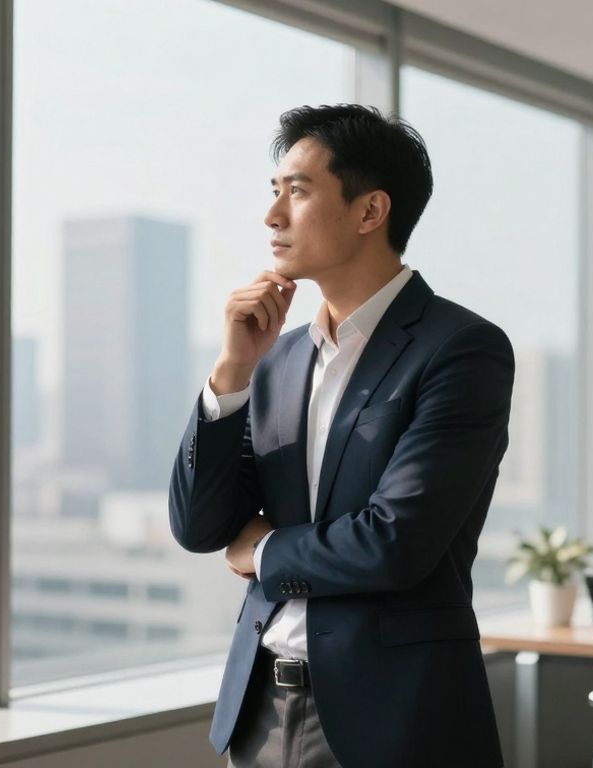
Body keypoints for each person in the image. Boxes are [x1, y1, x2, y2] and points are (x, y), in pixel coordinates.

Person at [169, 104, 513, 768]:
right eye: (274, 194)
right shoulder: (277, 356)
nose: (273, 217)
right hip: (260, 710)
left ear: (369, 211)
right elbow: (200, 526)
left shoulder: (460, 349)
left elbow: (395, 542)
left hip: (393, 718)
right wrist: (232, 371)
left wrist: (266, 551)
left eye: (296, 192)